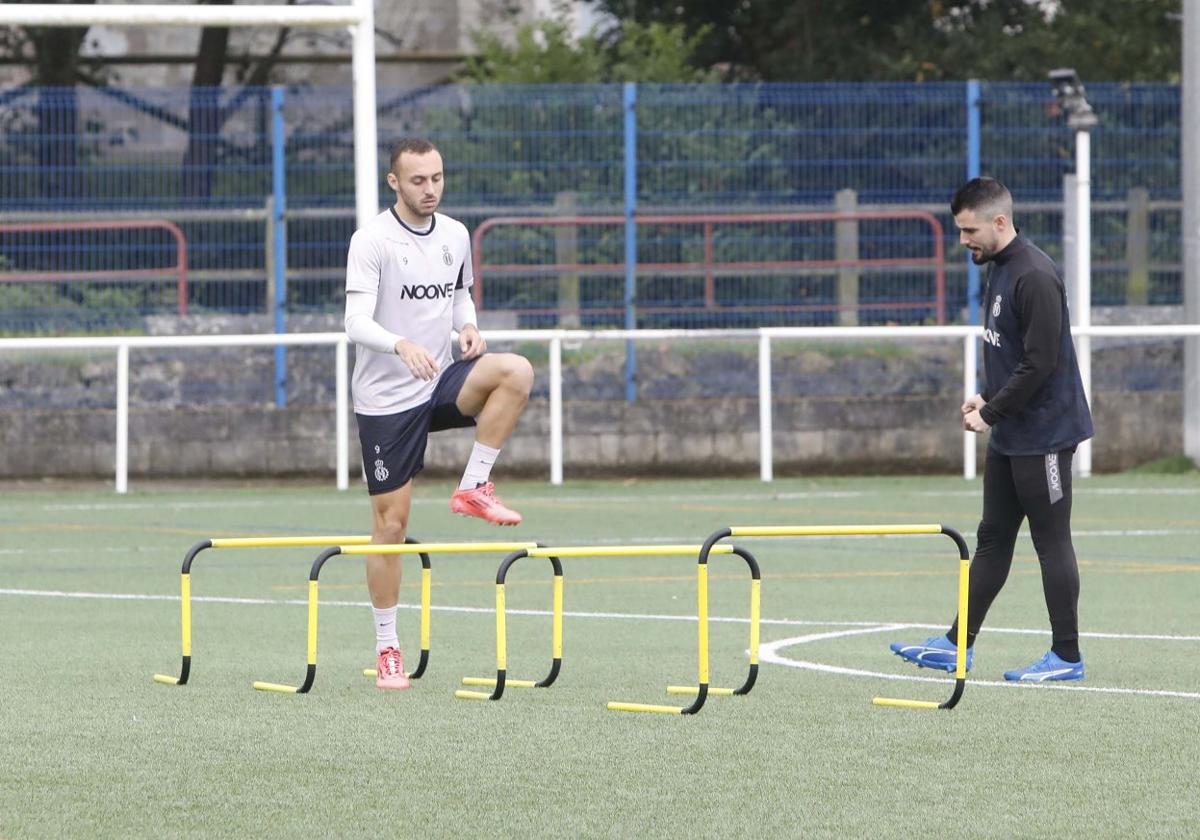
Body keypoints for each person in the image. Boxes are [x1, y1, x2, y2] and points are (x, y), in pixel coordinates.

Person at [344, 137, 534, 690]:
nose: (431, 189)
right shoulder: (372, 241)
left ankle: (474, 486)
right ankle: (387, 648)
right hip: (386, 398)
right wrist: (400, 345)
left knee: (515, 371)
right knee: (392, 526)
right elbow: (355, 322)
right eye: (419, 180)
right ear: (394, 183)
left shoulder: (454, 234)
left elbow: (459, 298)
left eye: (438, 178)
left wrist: (467, 326)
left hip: (440, 381)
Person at [890, 176, 1093, 682]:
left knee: (1051, 541)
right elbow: (1013, 351)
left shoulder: (1035, 275)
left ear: (1000, 222)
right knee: (992, 537)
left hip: (1044, 434)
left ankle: (1066, 657)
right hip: (1012, 431)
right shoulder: (998, 268)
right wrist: (988, 395)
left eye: (968, 230)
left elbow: (1043, 361)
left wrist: (991, 413)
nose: (964, 241)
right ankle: (958, 644)